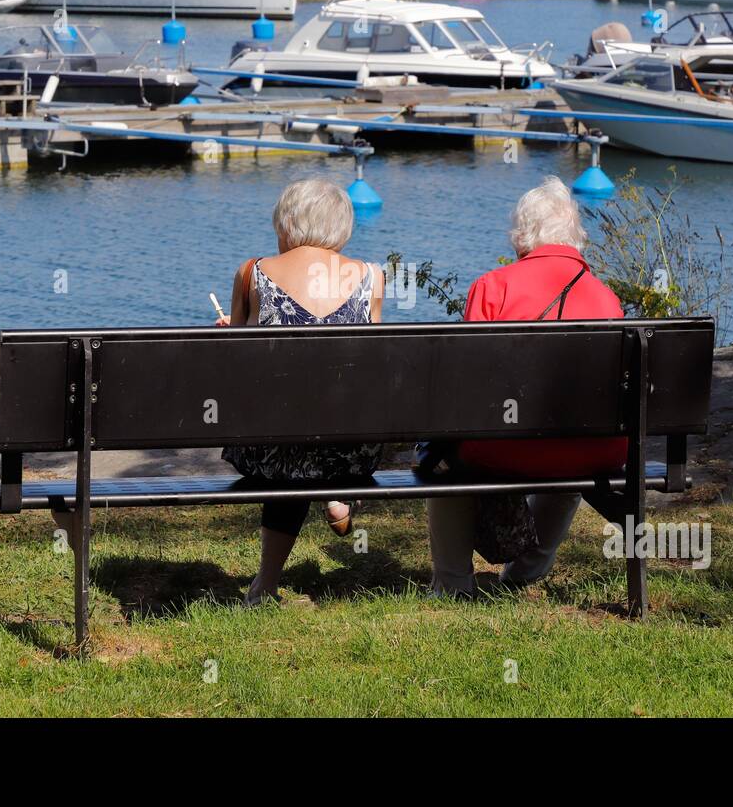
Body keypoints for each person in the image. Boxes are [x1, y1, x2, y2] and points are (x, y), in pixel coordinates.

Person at [426, 177, 627, 597]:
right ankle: (524, 571)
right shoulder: (607, 300)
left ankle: (454, 583)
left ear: (521, 236)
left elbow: (468, 388)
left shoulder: (492, 287)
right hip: (592, 450)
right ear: (576, 239)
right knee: (571, 448)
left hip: (501, 448)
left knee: (439, 456)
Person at [216, 178, 386, 605]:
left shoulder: (252, 272)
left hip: (271, 448)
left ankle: (265, 585)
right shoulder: (372, 277)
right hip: (348, 449)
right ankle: (335, 492)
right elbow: (372, 368)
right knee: (317, 426)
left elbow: (233, 363)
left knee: (288, 437)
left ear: (288, 222)